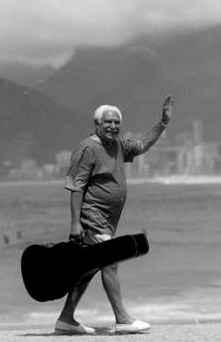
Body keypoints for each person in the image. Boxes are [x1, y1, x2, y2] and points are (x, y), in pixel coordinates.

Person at [54, 94, 174, 335]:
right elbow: (77, 186)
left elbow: (141, 145)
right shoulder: (88, 148)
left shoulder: (118, 145)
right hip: (92, 216)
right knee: (110, 262)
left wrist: (162, 123)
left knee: (87, 269)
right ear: (96, 124)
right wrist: (75, 223)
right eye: (107, 122)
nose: (112, 126)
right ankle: (123, 319)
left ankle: (66, 319)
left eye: (116, 122)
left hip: (108, 221)